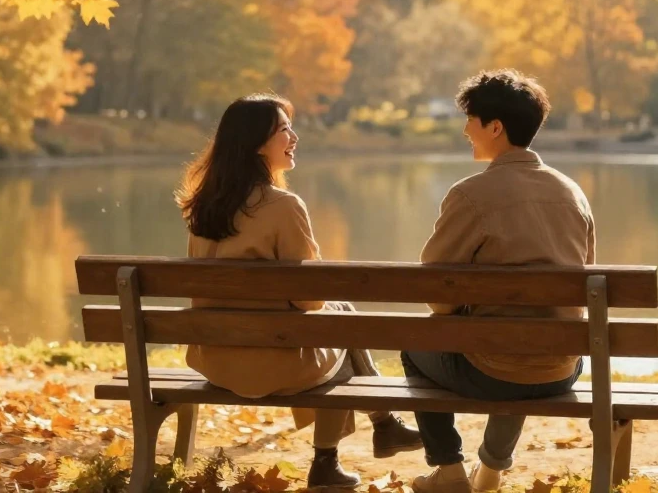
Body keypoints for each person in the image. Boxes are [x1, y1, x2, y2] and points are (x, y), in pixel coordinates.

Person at [177, 94, 422, 488]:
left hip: (215, 358)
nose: (294, 136)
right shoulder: (283, 206)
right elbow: (310, 299)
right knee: (338, 326)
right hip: (271, 365)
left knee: (338, 318)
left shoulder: (202, 207)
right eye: (284, 130)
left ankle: (380, 428)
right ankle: (351, 444)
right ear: (256, 143)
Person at [405, 71, 596, 493]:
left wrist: (458, 315)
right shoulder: (572, 193)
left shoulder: (470, 194)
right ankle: (490, 473)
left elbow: (437, 296)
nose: (464, 129)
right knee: (529, 337)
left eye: (471, 119)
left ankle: (449, 470)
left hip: (491, 369)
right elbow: (583, 287)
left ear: (495, 127)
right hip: (563, 370)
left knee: (417, 340)